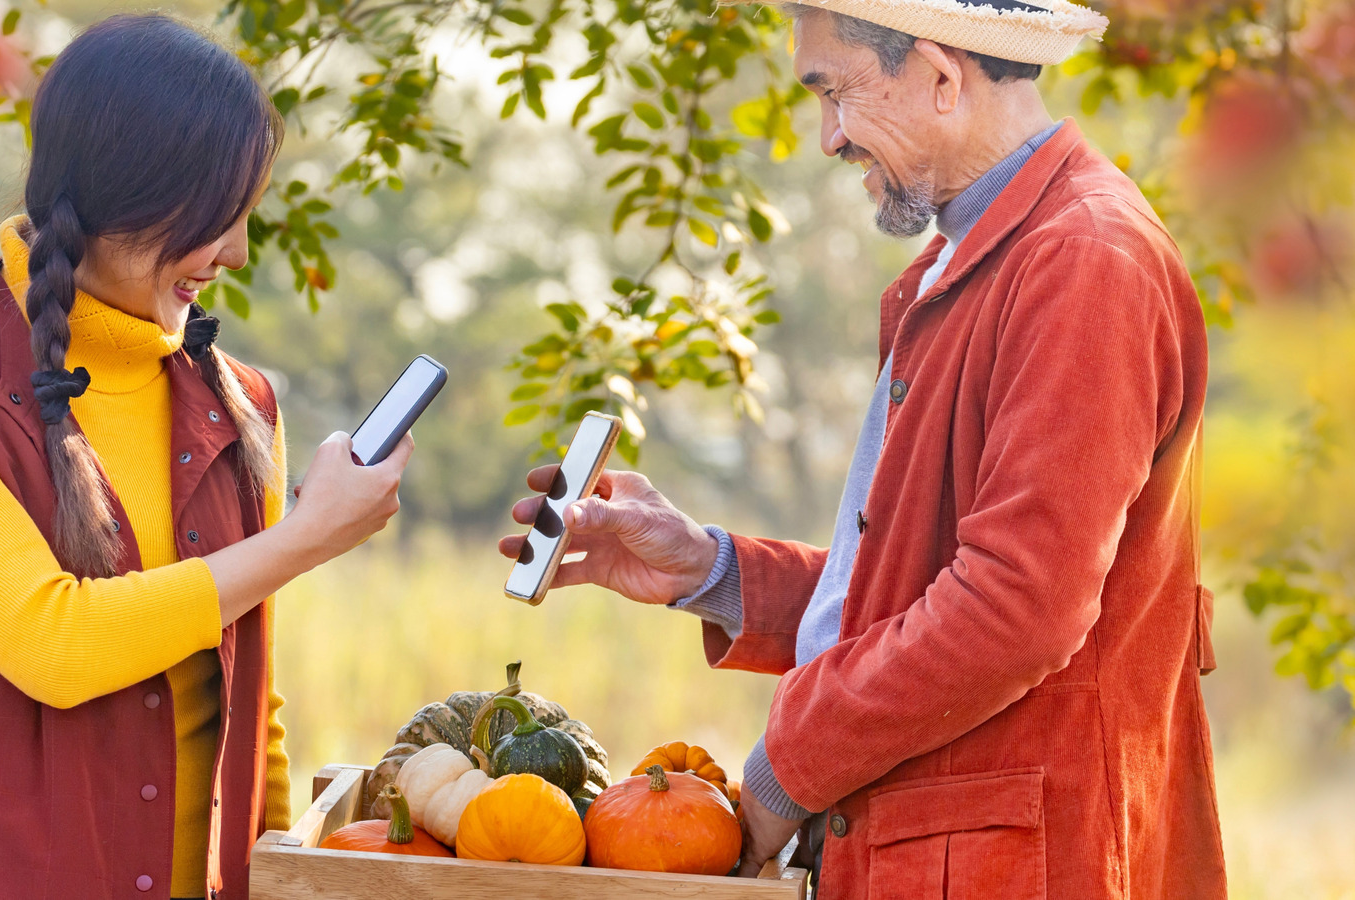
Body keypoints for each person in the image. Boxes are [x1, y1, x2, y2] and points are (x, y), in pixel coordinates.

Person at [500, 0, 1226, 896]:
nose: (828, 139)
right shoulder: (968, 263)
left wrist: (786, 766)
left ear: (941, 76)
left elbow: (1016, 607)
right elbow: (916, 590)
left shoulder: (1084, 261)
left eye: (834, 93)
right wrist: (711, 569)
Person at [0, 15, 410, 900]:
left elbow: (253, 700)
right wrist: (312, 536)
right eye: (218, 215)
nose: (237, 252)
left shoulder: (239, 404)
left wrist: (278, 874)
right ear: (124, 192)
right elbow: (52, 643)